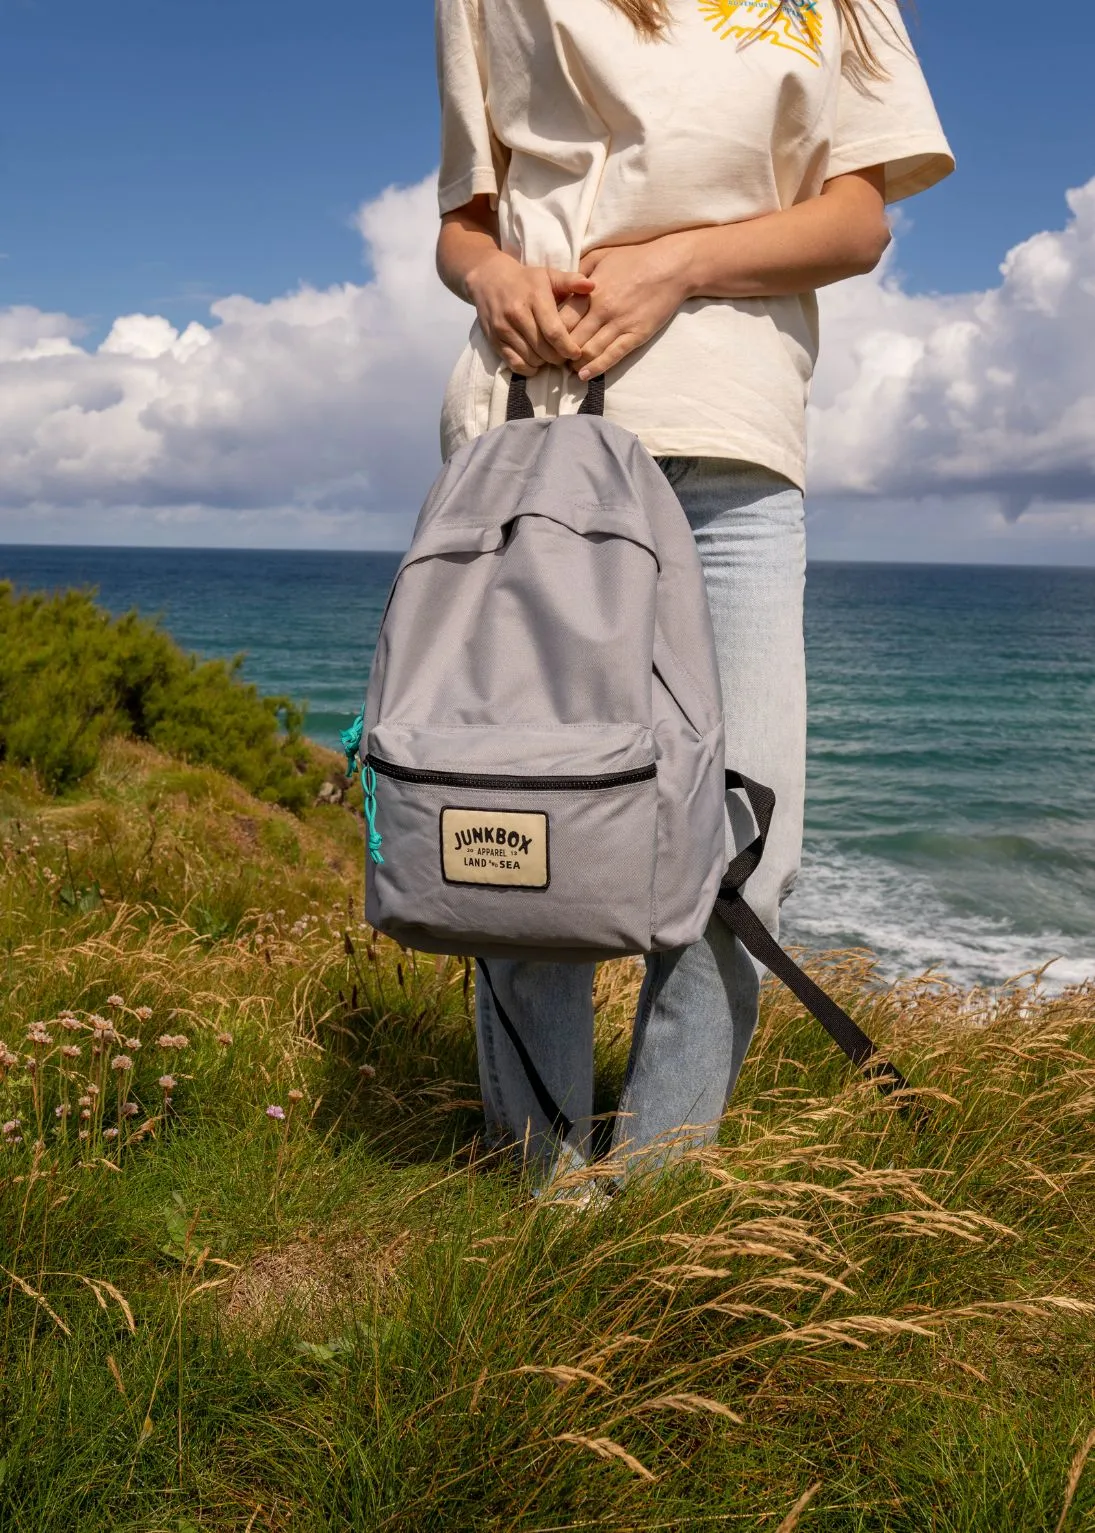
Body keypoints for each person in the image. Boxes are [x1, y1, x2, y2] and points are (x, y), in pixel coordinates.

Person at [434, 0, 952, 1184]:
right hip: (542, 422)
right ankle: (538, 1191)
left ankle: (664, 1186)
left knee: (746, 846)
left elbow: (859, 220)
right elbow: (463, 219)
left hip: (739, 439)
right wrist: (493, 278)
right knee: (527, 823)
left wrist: (676, 264)